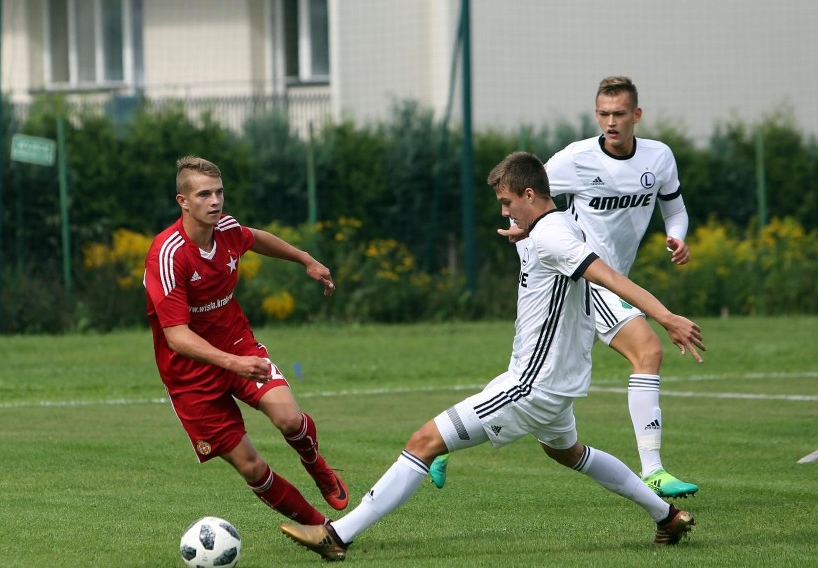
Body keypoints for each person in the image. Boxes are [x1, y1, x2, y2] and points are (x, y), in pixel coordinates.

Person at [280, 152, 704, 561]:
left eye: (507, 203)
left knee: (423, 442)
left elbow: (608, 277)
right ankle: (666, 516)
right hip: (552, 384)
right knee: (568, 452)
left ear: (530, 195)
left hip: (530, 385)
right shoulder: (552, 228)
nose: (504, 213)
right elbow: (554, 250)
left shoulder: (554, 235)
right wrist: (529, 233)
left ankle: (336, 536)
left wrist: (666, 317)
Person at [432, 76, 698, 498]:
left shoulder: (659, 158)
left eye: (619, 114)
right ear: (597, 115)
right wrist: (522, 229)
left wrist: (677, 236)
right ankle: (654, 471)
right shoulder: (576, 159)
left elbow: (675, 207)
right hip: (588, 278)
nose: (611, 122)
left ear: (637, 116)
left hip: (608, 277)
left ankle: (449, 438)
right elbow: (525, 190)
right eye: (604, 114)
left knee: (531, 373)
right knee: (648, 351)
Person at [143, 155, 348, 526]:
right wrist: (233, 364)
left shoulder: (226, 228)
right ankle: (322, 531)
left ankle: (316, 465)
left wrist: (305, 259)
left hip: (238, 345)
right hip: (190, 376)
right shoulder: (168, 254)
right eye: (204, 194)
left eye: (219, 192)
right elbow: (176, 337)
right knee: (253, 467)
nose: (215, 201)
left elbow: (254, 238)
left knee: (289, 419)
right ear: (183, 201)